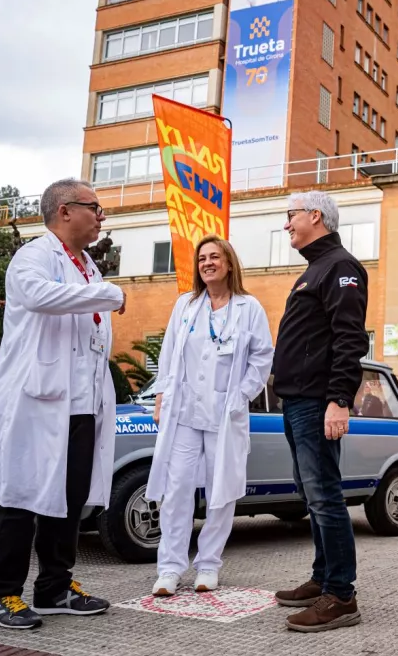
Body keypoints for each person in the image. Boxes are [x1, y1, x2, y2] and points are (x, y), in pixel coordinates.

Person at [0, 178, 126, 630]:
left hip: (80, 405)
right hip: (37, 402)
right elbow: (42, 297)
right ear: (65, 211)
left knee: (68, 500)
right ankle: (0, 595)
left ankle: (54, 587)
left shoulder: (88, 266)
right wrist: (112, 294)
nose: (101, 217)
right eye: (95, 208)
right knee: (21, 495)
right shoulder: (34, 257)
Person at [146, 236, 274, 596]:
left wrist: (243, 394)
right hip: (184, 413)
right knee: (177, 490)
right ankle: (170, 568)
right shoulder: (184, 306)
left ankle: (208, 566)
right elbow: (169, 354)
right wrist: (161, 398)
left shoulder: (249, 307)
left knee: (222, 492)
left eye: (214, 257)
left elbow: (262, 357)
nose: (207, 263)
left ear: (229, 263)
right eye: (202, 258)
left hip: (224, 414)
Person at [272, 191, 369, 633]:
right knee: (313, 495)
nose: (287, 223)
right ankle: (323, 578)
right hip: (298, 402)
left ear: (316, 215)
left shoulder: (340, 267)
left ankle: (341, 596)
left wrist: (339, 399)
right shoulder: (314, 268)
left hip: (316, 402)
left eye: (291, 215)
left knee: (325, 497)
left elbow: (350, 339)